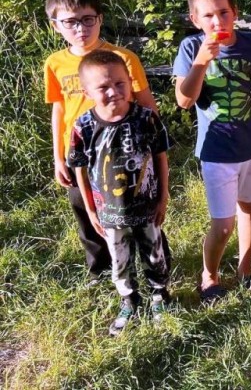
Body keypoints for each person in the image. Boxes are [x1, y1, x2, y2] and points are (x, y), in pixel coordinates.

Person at [173, 0, 251, 302]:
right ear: (195, 19)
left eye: (223, 12)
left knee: (249, 209)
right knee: (223, 225)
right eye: (208, 15)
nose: (217, 21)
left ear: (235, 12)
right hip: (218, 151)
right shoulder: (191, 48)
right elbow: (184, 100)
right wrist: (201, 63)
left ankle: (245, 269)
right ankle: (209, 276)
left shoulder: (250, 43)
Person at [44, 0, 159, 286]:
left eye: (87, 19)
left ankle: (153, 266)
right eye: (70, 22)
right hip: (81, 154)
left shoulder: (123, 57)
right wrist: (58, 157)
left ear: (100, 19)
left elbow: (147, 103)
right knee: (86, 211)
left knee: (138, 209)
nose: (80, 28)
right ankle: (100, 269)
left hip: (124, 151)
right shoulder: (55, 63)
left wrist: (154, 145)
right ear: (55, 25)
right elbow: (59, 109)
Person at [67, 50, 171, 336]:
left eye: (120, 83)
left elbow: (161, 156)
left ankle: (160, 295)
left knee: (154, 252)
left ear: (129, 82)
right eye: (103, 87)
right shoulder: (83, 126)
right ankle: (129, 299)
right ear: (87, 92)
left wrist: (163, 197)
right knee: (119, 257)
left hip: (146, 206)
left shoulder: (146, 119)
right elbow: (79, 169)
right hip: (109, 211)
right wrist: (91, 209)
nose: (113, 92)